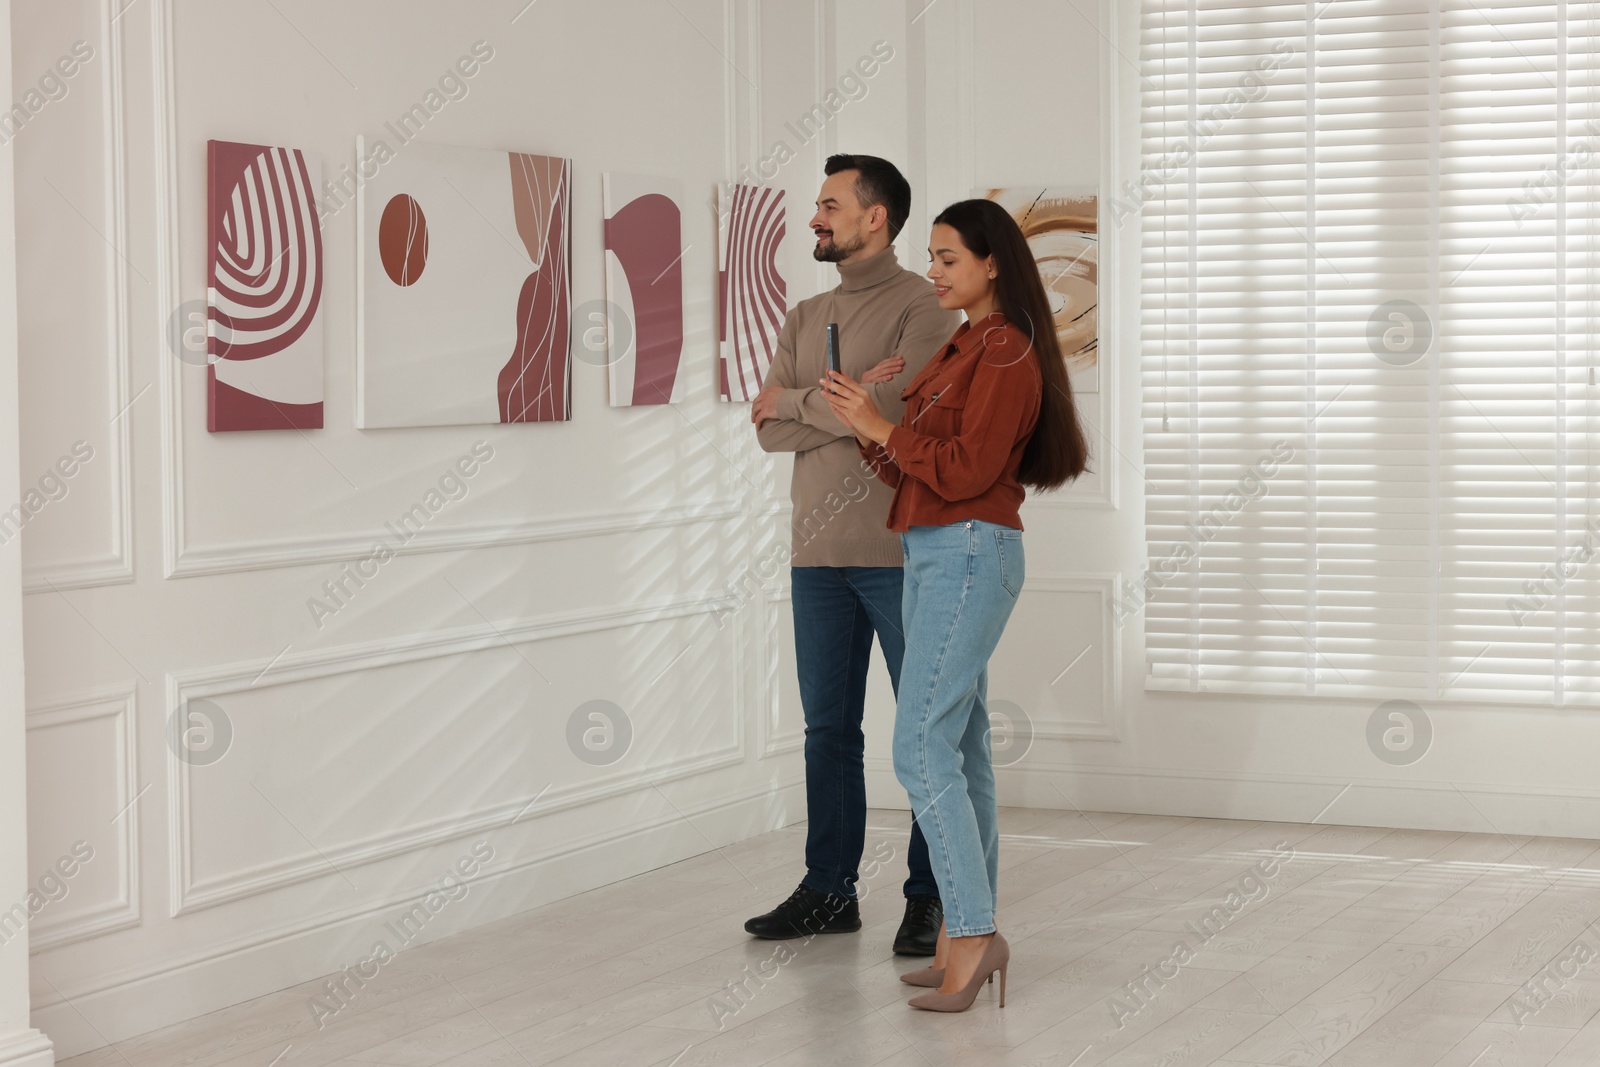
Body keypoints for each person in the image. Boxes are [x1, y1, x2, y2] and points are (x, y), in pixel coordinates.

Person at [823, 198, 1089, 1011]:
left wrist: (884, 426)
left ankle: (972, 931)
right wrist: (867, 426)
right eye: (931, 257)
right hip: (939, 547)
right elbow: (924, 471)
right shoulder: (969, 343)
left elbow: (969, 469)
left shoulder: (1005, 350)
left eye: (947, 258)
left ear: (992, 262)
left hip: (969, 552)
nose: (932, 270)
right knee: (960, 747)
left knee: (918, 747)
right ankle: (960, 936)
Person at [746, 155, 961, 954]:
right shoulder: (805, 313)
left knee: (924, 730)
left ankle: (930, 895)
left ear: (876, 217)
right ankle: (828, 889)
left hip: (903, 551)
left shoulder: (926, 307)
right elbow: (769, 428)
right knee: (827, 729)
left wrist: (812, 400)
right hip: (816, 554)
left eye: (829, 204)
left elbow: (897, 411)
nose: (815, 217)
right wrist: (842, 398)